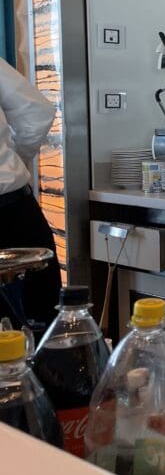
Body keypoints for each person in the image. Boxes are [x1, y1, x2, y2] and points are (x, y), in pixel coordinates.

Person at [0, 57, 60, 330]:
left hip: (12, 211)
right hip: (14, 209)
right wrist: (12, 162)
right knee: (42, 331)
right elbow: (36, 112)